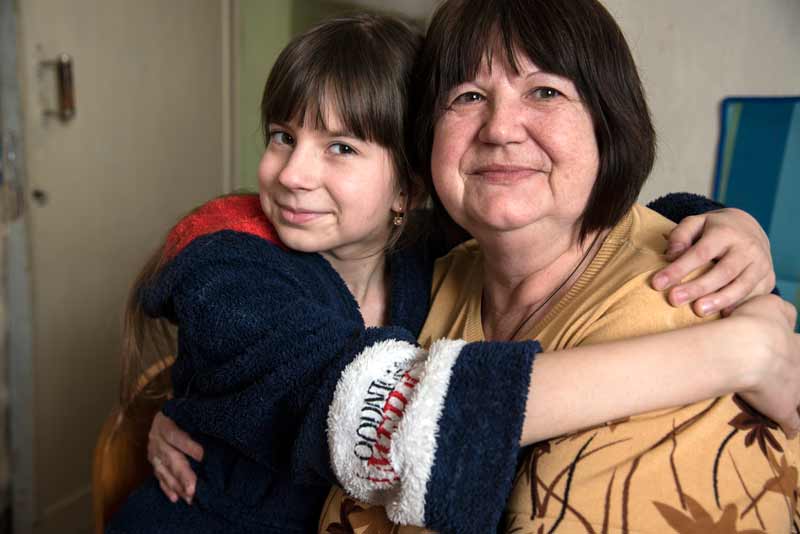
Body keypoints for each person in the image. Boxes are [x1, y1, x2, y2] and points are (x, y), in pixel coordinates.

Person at [134, 7, 797, 534]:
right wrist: (734, 352)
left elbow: (577, 212)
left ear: (406, 187)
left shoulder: (421, 253)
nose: (294, 173)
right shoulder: (231, 263)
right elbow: (382, 417)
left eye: (342, 146)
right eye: (470, 95)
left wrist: (727, 223)